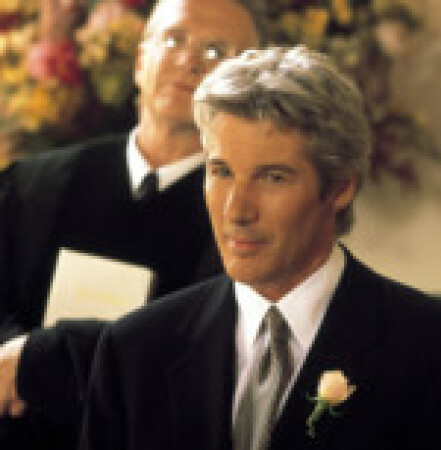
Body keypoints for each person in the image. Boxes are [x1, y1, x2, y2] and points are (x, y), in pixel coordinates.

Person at [79, 45, 441, 450]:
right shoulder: (133, 353)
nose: (236, 210)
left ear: (340, 188)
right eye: (221, 172)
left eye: (272, 178)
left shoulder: (440, 357)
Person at [0, 0, 261, 447]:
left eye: (216, 51)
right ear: (141, 61)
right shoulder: (36, 183)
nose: (189, 60)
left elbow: (216, 360)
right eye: (174, 39)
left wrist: (44, 360)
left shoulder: (248, 219)